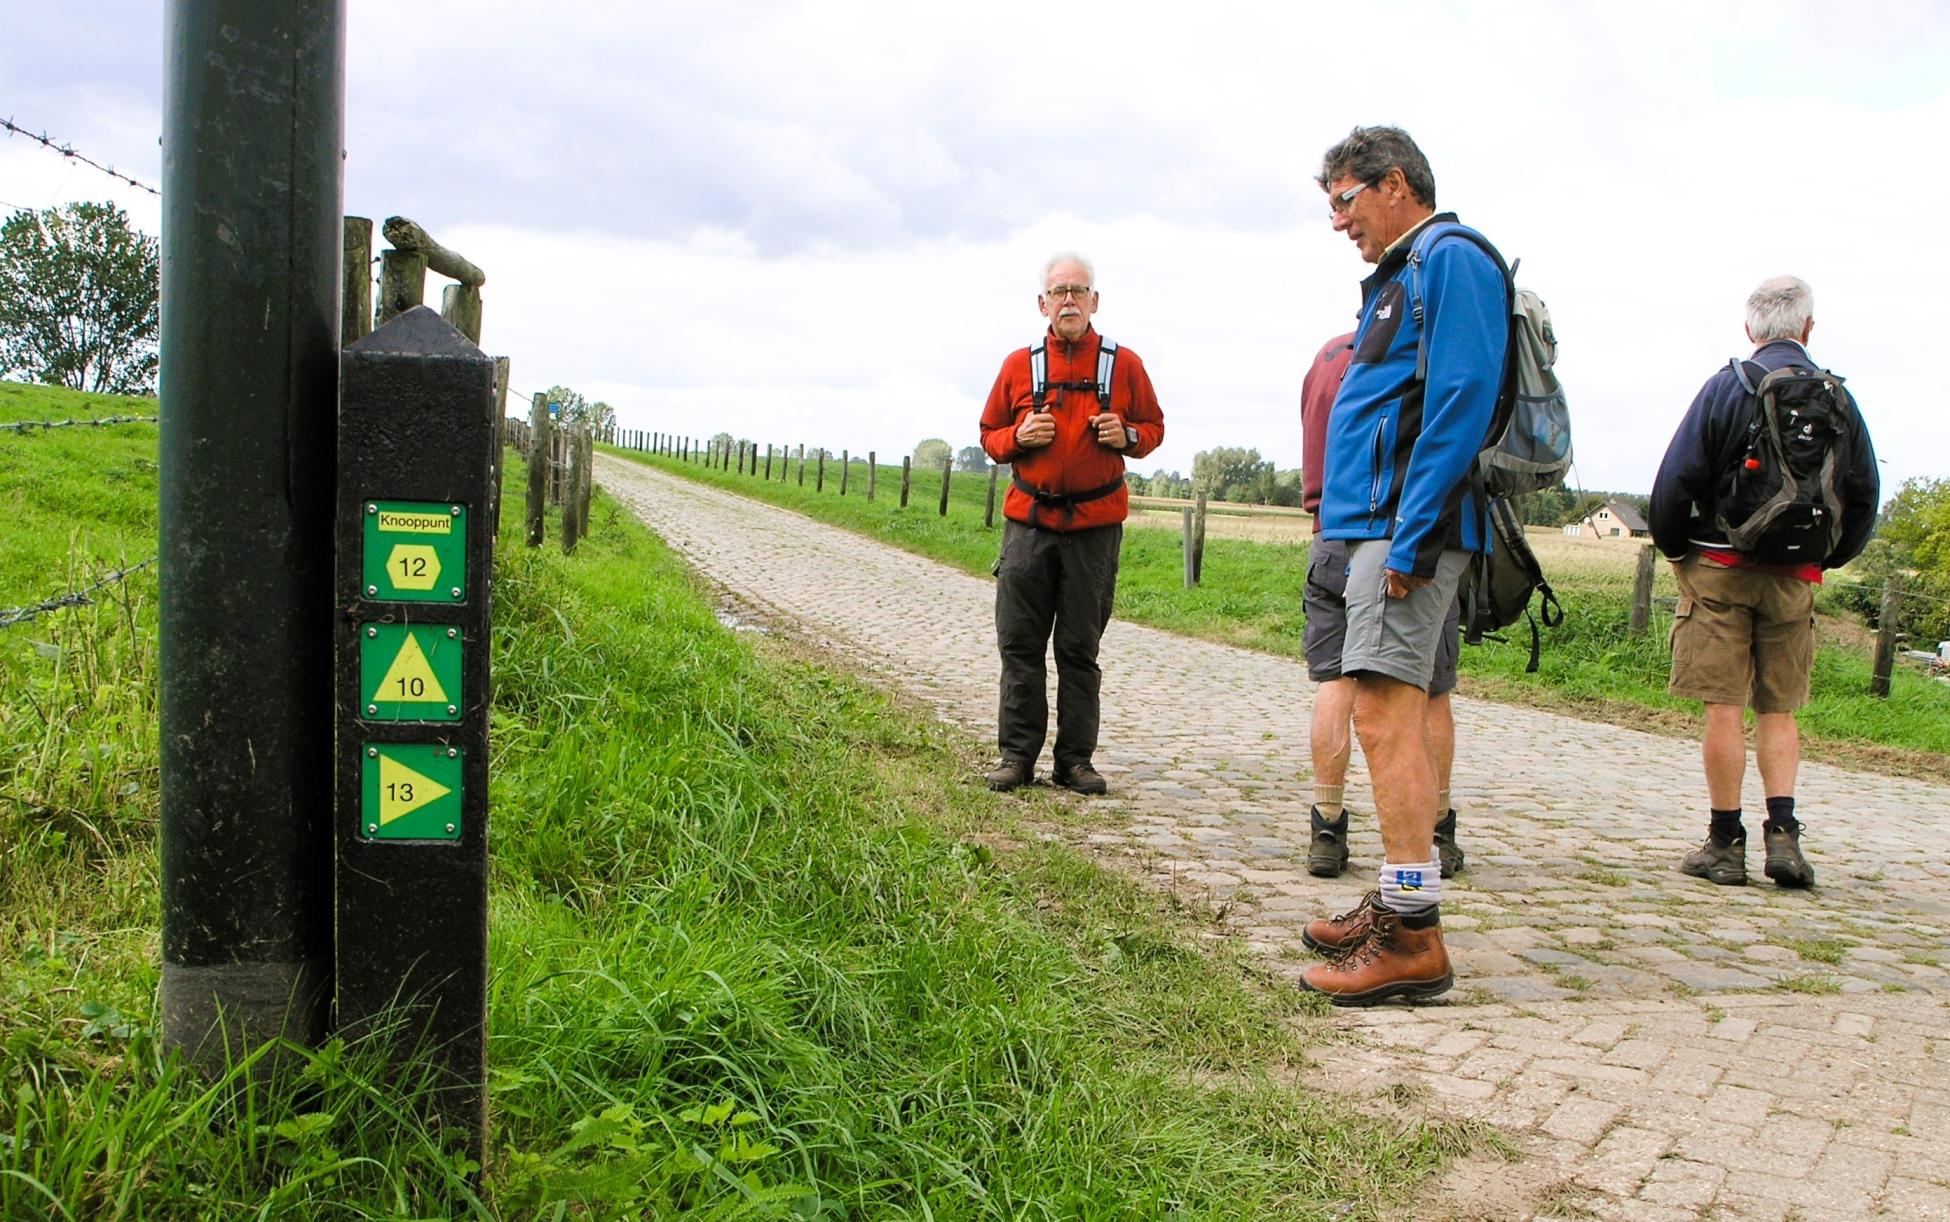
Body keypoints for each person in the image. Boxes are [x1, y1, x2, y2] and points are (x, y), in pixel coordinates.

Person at [1297, 125, 1507, 1006]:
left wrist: (1414, 537)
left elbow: (1460, 400)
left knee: (1386, 720)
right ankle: (1395, 900)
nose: (1339, 221)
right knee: (1391, 716)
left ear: (1393, 183)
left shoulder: (1449, 257)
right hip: (1373, 526)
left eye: (1345, 200)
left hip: (1403, 531)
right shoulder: (1402, 274)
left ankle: (1413, 936)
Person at [1648, 275, 1878, 888]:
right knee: (1779, 709)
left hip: (1719, 568)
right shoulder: (1837, 399)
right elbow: (1863, 495)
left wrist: (1676, 550)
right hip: (1793, 576)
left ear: (1751, 329)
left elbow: (1675, 480)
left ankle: (1725, 843)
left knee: (1723, 707)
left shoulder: (1727, 387)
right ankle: (1785, 839)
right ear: (1808, 328)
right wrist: (1822, 562)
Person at [977, 252, 1165, 795]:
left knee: (1079, 650)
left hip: (1094, 530)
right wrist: (1018, 438)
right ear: (1042, 303)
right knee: (1020, 645)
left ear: (1095, 301)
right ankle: (1016, 757)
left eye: (1078, 291)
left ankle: (1075, 762)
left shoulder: (1124, 365)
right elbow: (990, 434)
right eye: (1059, 292)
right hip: (1029, 527)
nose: (1068, 301)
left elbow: (1153, 428)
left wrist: (1126, 435)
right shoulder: (1019, 365)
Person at [1301, 334, 1467, 883]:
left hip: (1331, 530)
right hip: (1400, 539)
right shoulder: (1412, 360)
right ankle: (1437, 831)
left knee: (1334, 680)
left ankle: (1327, 827)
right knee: (1428, 687)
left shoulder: (1326, 360)